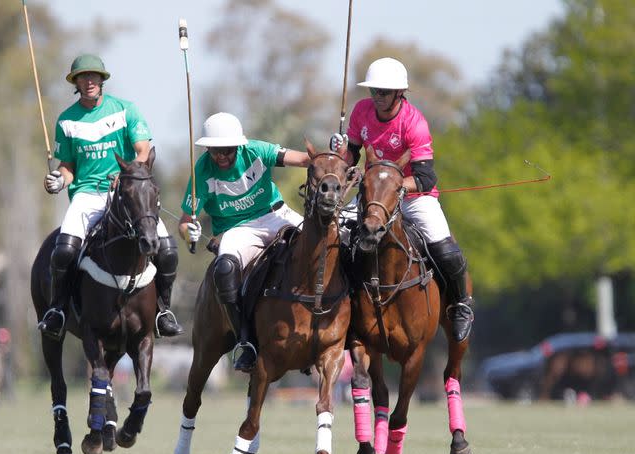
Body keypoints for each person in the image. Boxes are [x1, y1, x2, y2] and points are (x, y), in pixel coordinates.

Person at [38, 54, 183, 340]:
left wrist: (126, 175)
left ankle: (163, 311)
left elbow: (143, 151)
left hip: (127, 194)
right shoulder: (66, 120)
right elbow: (68, 166)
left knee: (167, 251)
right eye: (82, 77)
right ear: (75, 83)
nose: (88, 81)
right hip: (87, 195)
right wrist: (58, 178)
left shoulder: (125, 111)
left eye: (93, 76)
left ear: (102, 80)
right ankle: (57, 311)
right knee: (64, 251)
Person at [331, 57, 474, 342]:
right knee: (336, 238)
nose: (377, 97)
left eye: (383, 92)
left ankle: (460, 306)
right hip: (372, 198)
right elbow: (352, 156)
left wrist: (392, 188)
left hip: (413, 197)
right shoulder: (362, 111)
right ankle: (338, 305)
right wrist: (341, 152)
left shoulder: (414, 123)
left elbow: (425, 177)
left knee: (446, 249)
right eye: (373, 91)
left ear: (399, 93)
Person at [178, 112, 311, 372]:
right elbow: (185, 219)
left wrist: (334, 151)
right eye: (215, 151)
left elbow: (306, 160)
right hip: (237, 230)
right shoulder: (203, 171)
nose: (222, 157)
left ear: (238, 145)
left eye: (227, 150)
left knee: (325, 245)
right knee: (225, 269)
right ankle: (246, 340)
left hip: (275, 214)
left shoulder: (256, 151)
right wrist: (188, 232)